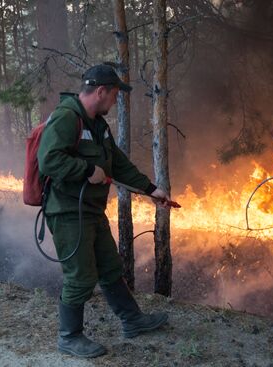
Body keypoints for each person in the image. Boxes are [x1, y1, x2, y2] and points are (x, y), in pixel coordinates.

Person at [37, 64, 170, 358]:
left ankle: (132, 320)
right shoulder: (66, 118)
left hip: (92, 212)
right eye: (114, 96)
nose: (116, 101)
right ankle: (69, 337)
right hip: (69, 213)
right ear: (101, 92)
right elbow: (48, 161)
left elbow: (118, 163)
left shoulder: (98, 125)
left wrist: (151, 189)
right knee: (81, 276)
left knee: (111, 268)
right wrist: (86, 169)